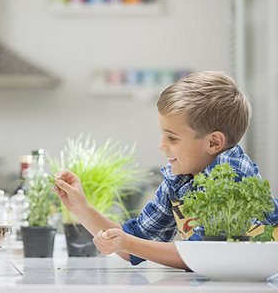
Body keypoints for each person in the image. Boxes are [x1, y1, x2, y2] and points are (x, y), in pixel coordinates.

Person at [53, 71, 278, 269]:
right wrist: (80, 208)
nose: (162, 146)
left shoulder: (232, 176)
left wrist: (127, 242)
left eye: (172, 137)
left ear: (213, 143)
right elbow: (133, 245)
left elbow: (205, 254)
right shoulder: (178, 180)